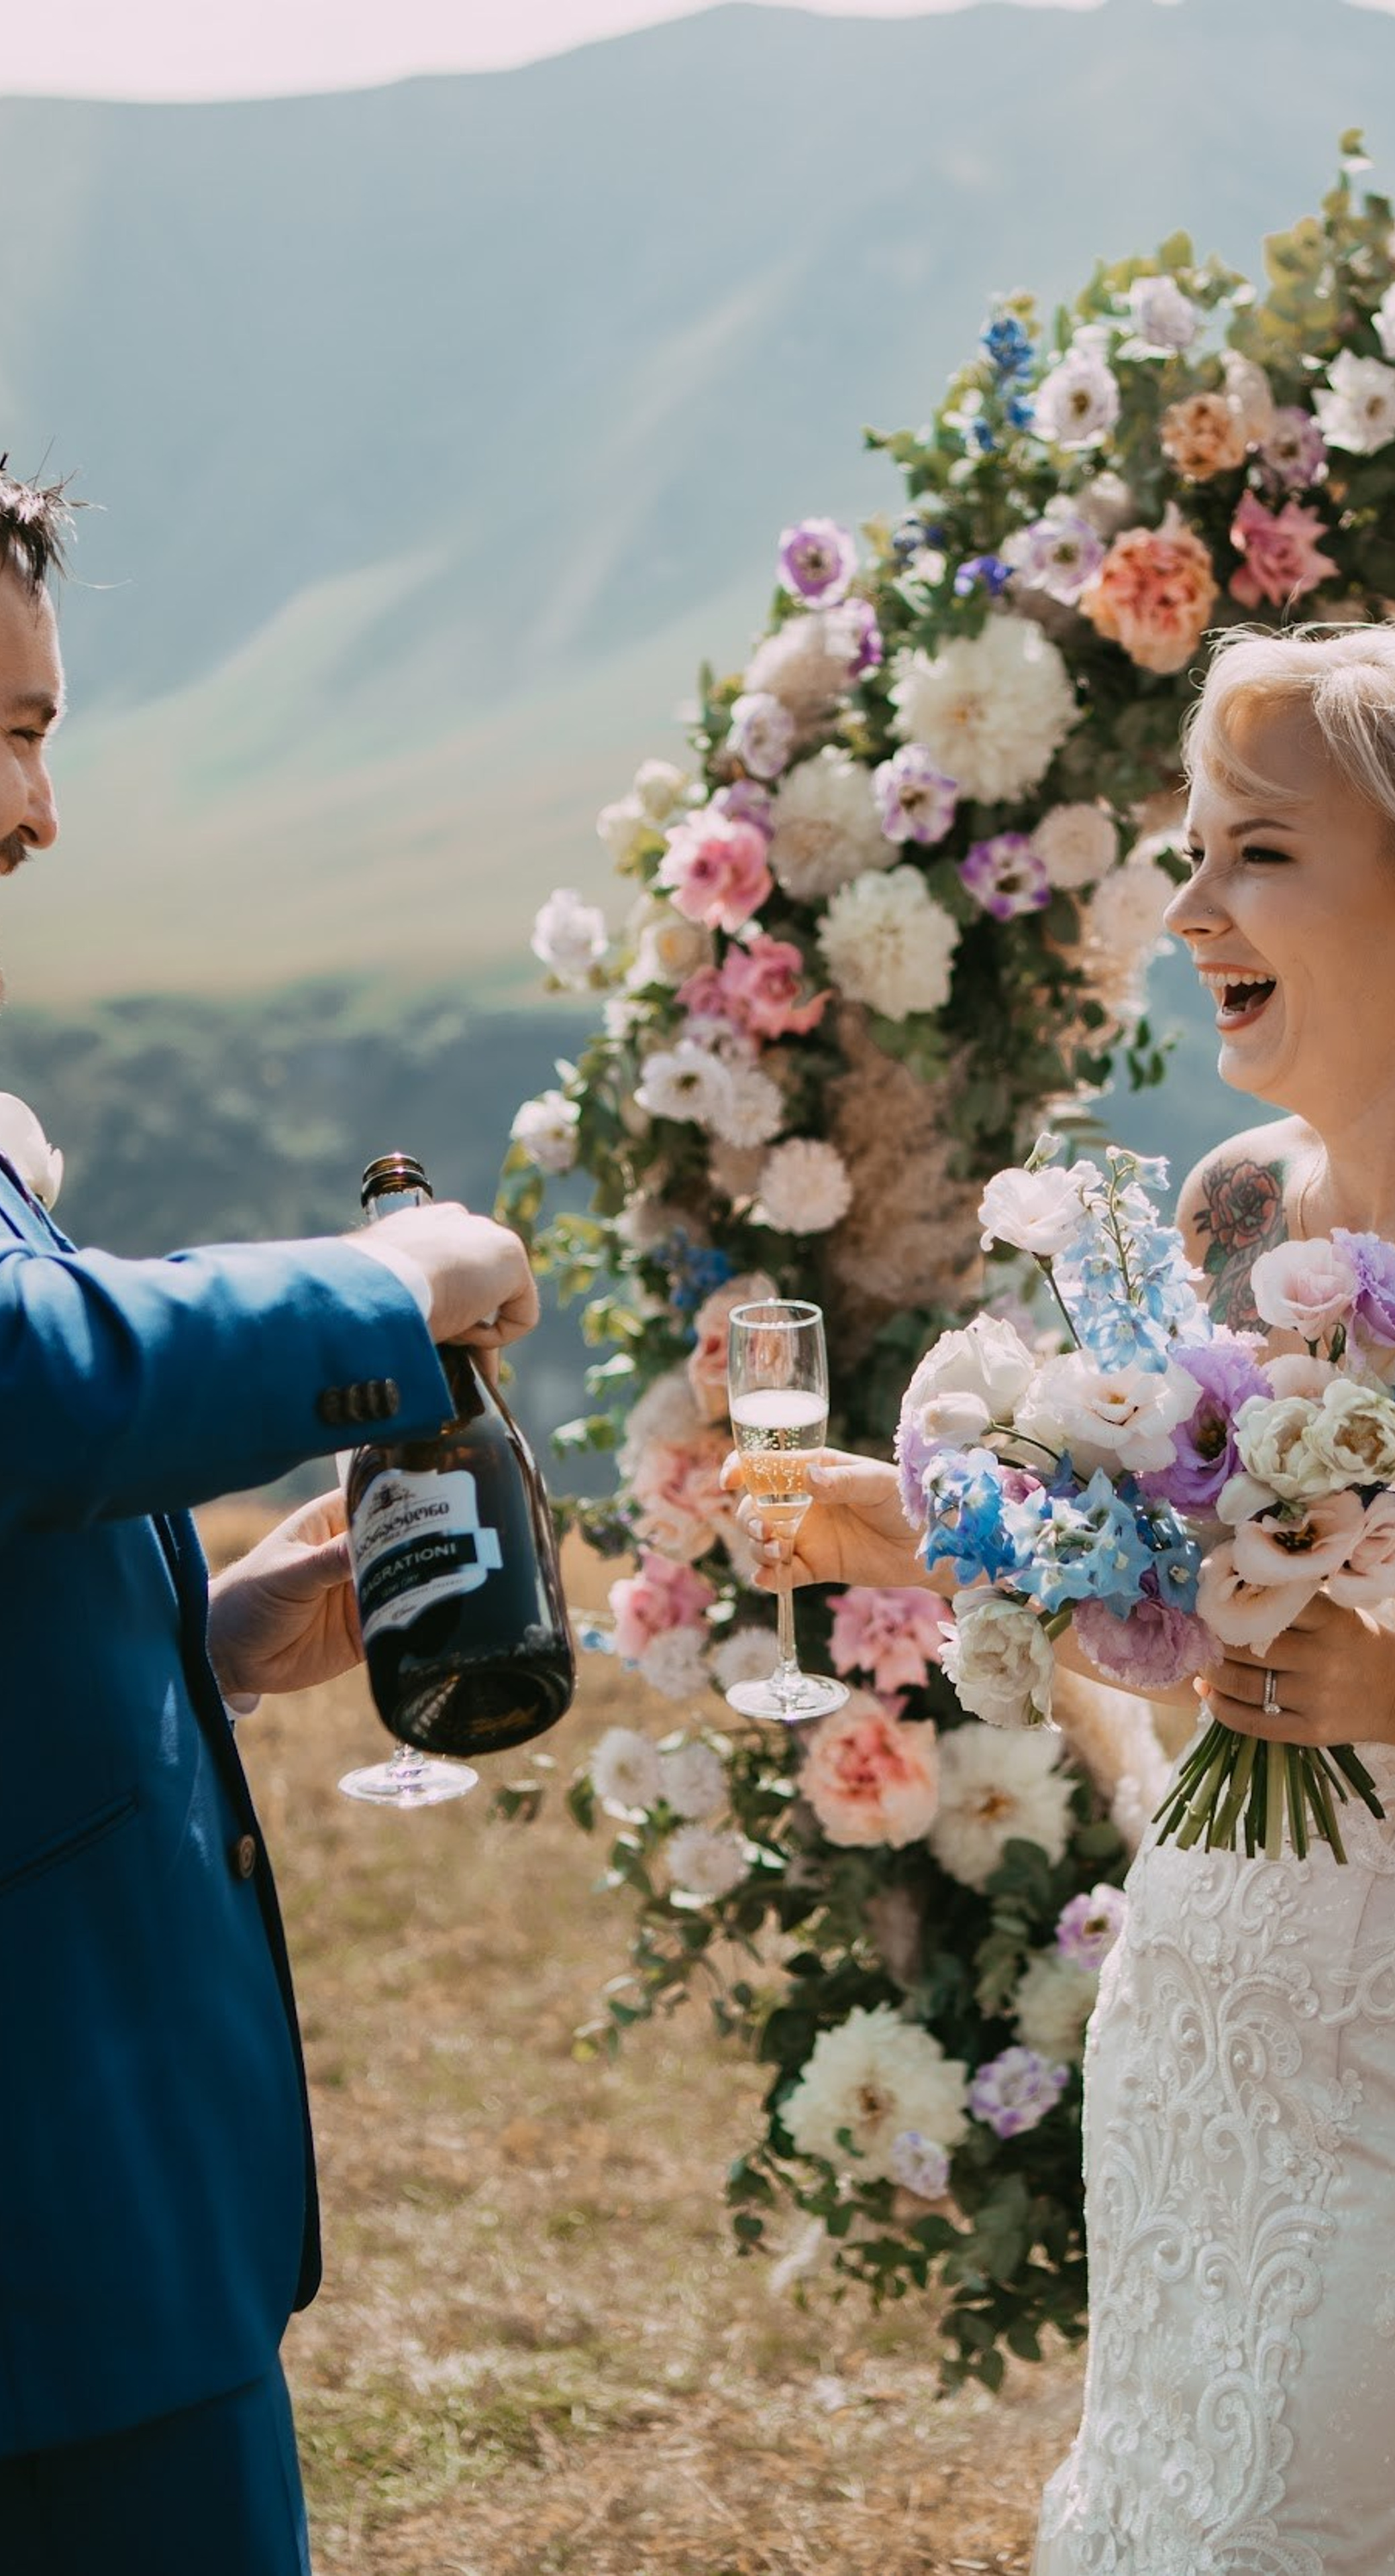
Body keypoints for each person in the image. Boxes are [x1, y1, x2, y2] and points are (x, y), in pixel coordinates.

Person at [740, 626, 1395, 2574]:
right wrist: (939, 1528)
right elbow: (1196, 1591)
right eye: (1192, 852)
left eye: (1255, 852)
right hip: (1212, 2042)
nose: (1186, 907)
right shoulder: (1239, 1213)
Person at [0, 468, 544, 2575]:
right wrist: (389, 1299)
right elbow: (28, 1377)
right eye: (20, 730)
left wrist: (199, 1641)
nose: (41, 814)